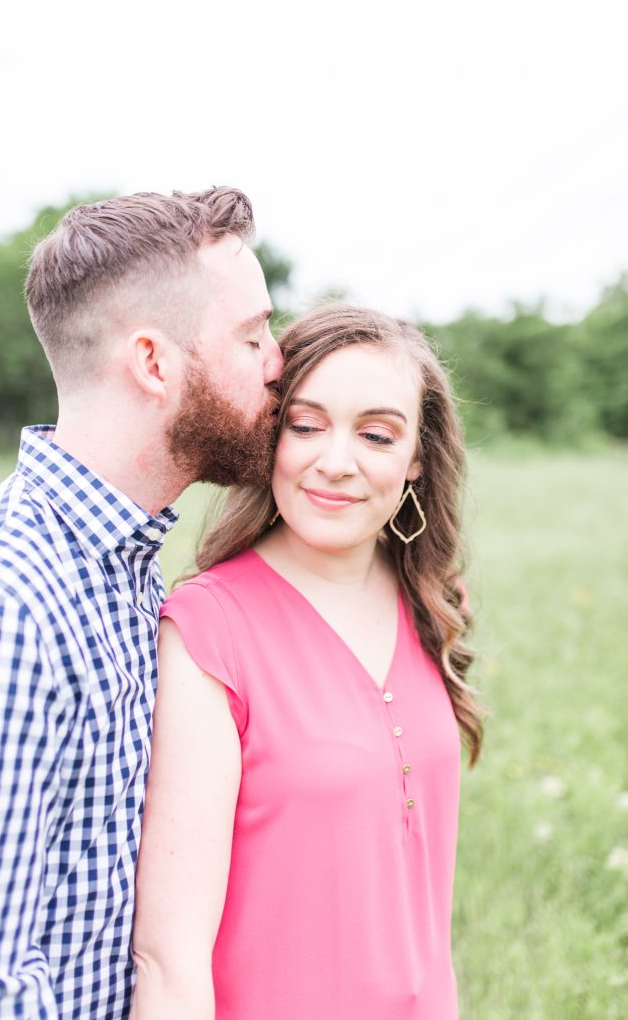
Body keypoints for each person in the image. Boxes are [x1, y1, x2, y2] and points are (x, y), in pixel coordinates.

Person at [0, 187, 282, 1020]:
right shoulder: (3, 600)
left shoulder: (124, 564)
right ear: (154, 363)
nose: (278, 361)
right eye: (252, 336)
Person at [130, 303, 484, 1020]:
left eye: (376, 435)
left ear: (416, 457)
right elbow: (169, 958)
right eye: (305, 425)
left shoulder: (430, 602)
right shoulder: (208, 628)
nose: (334, 461)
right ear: (270, 435)